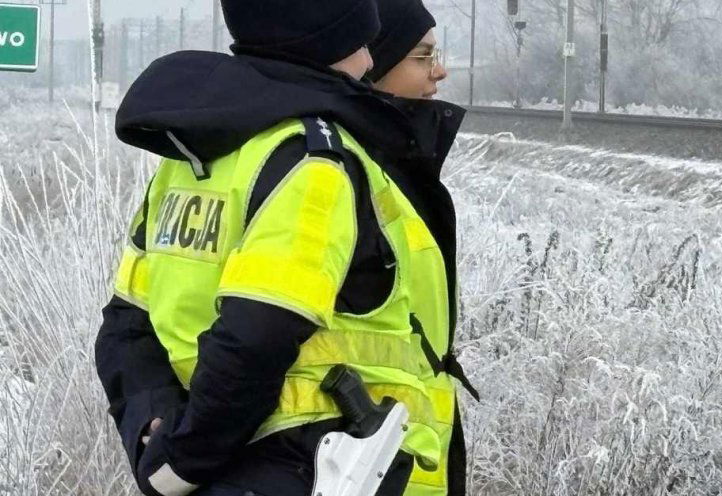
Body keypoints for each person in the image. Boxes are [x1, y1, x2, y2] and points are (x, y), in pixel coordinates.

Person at [94, 0, 475, 494]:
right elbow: (256, 336)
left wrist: (156, 428)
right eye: (362, 44)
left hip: (239, 471)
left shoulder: (190, 160)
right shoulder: (313, 161)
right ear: (331, 45)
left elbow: (125, 323)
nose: (368, 63)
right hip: (313, 469)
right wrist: (181, 463)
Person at [364, 2, 477, 495]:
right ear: (370, 65)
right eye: (423, 56)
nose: (441, 71)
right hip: (370, 469)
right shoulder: (350, 178)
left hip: (403, 463)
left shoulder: (396, 169)